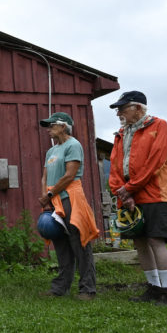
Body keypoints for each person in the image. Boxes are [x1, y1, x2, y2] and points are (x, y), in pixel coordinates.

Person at [108, 91, 167, 305]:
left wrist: (130, 188)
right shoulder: (120, 134)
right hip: (129, 195)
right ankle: (153, 288)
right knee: (140, 242)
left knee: (156, 240)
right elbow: (115, 168)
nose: (118, 113)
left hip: (155, 194)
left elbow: (155, 163)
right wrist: (121, 192)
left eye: (122, 108)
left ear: (138, 108)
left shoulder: (159, 126)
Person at [36, 112, 99, 300]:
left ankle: (87, 289)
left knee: (79, 242)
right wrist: (45, 197)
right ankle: (60, 288)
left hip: (71, 198)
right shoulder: (51, 151)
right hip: (54, 200)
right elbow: (45, 177)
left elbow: (70, 175)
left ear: (63, 127)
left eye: (52, 125)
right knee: (60, 243)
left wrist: (50, 194)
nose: (48, 129)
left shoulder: (73, 145)